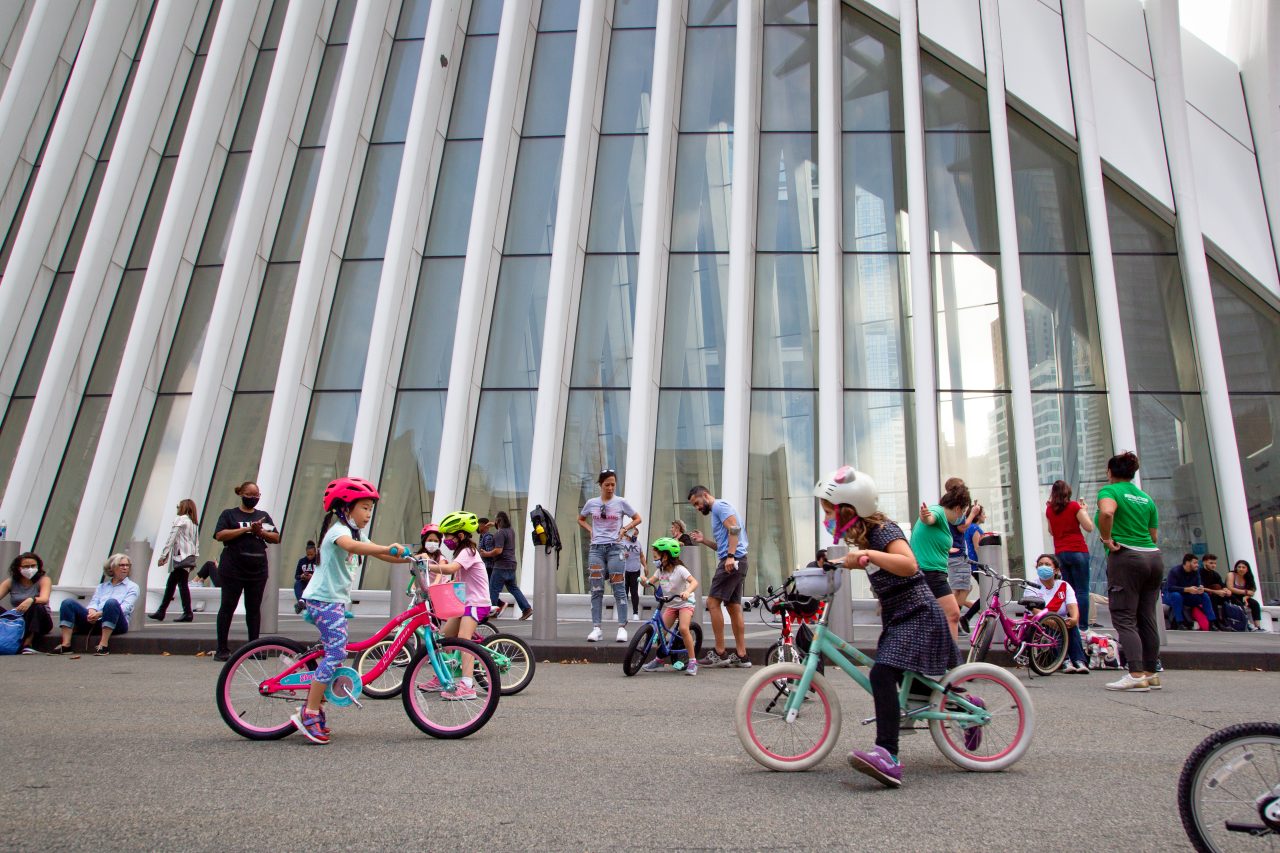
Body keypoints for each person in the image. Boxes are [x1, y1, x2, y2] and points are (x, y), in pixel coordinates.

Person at [813, 466, 957, 789]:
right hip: (900, 613)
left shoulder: (883, 531)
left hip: (918, 612)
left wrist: (865, 555)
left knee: (881, 673)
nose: (827, 519)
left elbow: (909, 564)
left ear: (850, 510)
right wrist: (831, 564)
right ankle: (962, 704)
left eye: (830, 513)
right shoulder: (867, 537)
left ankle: (888, 756)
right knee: (915, 685)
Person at [291, 477, 405, 744]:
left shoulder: (355, 532)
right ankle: (309, 711)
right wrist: (386, 548)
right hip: (322, 600)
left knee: (335, 653)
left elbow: (378, 553)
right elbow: (354, 548)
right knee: (336, 652)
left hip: (334, 601)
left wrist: (410, 558)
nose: (368, 514)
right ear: (345, 508)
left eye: (370, 509)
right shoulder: (338, 532)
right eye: (364, 508)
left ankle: (315, 702)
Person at [1096, 451, 1164, 692]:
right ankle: (1151, 672)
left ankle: (1135, 673)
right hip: (1153, 557)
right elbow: (1153, 534)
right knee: (1146, 616)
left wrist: (1106, 538)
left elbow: (1106, 512)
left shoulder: (1110, 491)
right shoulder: (1146, 499)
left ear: (1110, 472)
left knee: (1124, 617)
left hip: (1126, 557)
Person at [419, 511, 490, 700]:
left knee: (464, 640)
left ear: (460, 536)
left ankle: (467, 686)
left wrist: (427, 565)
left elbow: (450, 569)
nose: (446, 540)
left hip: (477, 602)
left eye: (449, 536)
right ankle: (442, 677)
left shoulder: (468, 551)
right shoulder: (461, 552)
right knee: (444, 638)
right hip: (465, 602)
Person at [213, 481, 281, 662]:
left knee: (253, 609)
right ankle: (222, 648)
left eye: (256, 495)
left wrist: (260, 532)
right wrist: (246, 529)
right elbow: (220, 535)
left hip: (257, 568)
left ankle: (254, 648)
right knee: (228, 606)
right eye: (249, 495)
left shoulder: (263, 516)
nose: (253, 498)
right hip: (233, 568)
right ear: (241, 494)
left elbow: (275, 537)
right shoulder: (229, 514)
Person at [687, 485, 751, 667]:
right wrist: (704, 541)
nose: (697, 508)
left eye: (697, 503)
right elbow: (725, 544)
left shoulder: (720, 507)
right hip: (738, 560)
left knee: (712, 603)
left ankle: (720, 653)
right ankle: (742, 655)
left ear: (705, 495)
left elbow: (735, 530)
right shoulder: (719, 509)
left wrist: (730, 557)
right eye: (694, 506)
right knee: (733, 606)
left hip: (733, 561)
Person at [579, 469, 642, 642]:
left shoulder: (621, 502)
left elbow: (638, 518)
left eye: (613, 484)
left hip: (616, 548)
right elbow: (581, 518)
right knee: (596, 588)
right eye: (607, 484)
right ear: (600, 485)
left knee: (619, 587)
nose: (610, 488)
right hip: (596, 548)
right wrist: (591, 530)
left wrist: (624, 529)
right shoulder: (592, 503)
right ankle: (596, 628)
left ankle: (622, 627)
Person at [909, 481, 969, 637]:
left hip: (929, 573)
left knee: (930, 620)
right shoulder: (938, 512)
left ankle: (935, 657)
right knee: (953, 615)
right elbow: (930, 519)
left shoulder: (943, 521)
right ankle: (952, 660)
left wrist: (946, 549)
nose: (962, 517)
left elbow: (931, 539)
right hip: (931, 573)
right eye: (963, 512)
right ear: (957, 508)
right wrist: (925, 516)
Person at [53, 554, 139, 656]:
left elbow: (126, 608)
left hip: (117, 623)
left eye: (127, 565)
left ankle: (103, 645)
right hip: (96, 621)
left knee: (111, 603)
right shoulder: (102, 586)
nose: (125, 568)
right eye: (121, 565)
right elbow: (94, 602)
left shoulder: (132, 587)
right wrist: (92, 611)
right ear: (112, 567)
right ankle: (66, 645)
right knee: (68, 603)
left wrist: (100, 614)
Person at [638, 537, 700, 675]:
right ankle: (659, 661)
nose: (654, 560)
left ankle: (692, 662)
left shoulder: (680, 569)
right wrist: (643, 581)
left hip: (685, 603)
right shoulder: (660, 571)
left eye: (656, 557)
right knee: (661, 631)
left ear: (665, 556)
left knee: (684, 629)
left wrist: (687, 591)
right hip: (671, 604)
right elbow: (650, 582)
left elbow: (694, 582)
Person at [1046, 479, 1095, 633]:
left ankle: (1071, 623)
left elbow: (1051, 531)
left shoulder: (1049, 510)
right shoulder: (1074, 506)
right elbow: (1089, 527)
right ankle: (1082, 627)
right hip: (1078, 550)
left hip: (1060, 553)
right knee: (1082, 590)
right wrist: (1084, 511)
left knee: (1070, 590)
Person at [1025, 554, 1088, 673]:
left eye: (1047, 565)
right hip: (1040, 624)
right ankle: (1065, 661)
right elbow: (1035, 611)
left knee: (1071, 625)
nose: (1043, 567)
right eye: (1040, 565)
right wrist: (1055, 622)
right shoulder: (1032, 587)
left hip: (1060, 622)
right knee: (1056, 624)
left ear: (1056, 570)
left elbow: (1072, 606)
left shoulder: (1064, 586)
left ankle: (1079, 661)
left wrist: (1074, 619)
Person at [149, 498, 200, 622]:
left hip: (180, 556)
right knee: (172, 584)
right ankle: (162, 611)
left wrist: (163, 556)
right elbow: (196, 542)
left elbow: (171, 538)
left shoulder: (181, 520)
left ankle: (187, 612)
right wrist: (194, 558)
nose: (177, 508)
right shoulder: (193, 523)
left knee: (181, 585)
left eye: (178, 506)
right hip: (189, 556)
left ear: (183, 507)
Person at [0, 552, 52, 653]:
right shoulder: (11, 582)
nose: (30, 569)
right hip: (18, 618)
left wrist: (31, 599)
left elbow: (44, 598)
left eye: (33, 566)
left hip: (41, 620)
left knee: (37, 606)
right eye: (26, 566)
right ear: (18, 568)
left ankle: (28, 643)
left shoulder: (44, 580)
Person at [487, 510, 531, 621]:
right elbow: (502, 530)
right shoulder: (511, 531)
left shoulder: (499, 533)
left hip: (501, 565)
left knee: (493, 589)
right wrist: (494, 524)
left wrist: (486, 553)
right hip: (511, 564)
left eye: (496, 520)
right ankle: (526, 609)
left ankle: (492, 612)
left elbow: (498, 550)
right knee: (513, 588)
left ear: (498, 521)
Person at [1164, 554, 1216, 631]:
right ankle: (1180, 623)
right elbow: (1170, 588)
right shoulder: (1175, 571)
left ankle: (1212, 623)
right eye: (1195, 563)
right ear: (1187, 563)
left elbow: (1198, 585)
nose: (1197, 565)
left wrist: (1200, 589)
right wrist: (1187, 589)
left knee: (1204, 595)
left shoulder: (1195, 572)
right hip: (1171, 596)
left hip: (1188, 596)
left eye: (1197, 563)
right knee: (1176, 595)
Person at [1199, 554, 1234, 629]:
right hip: (1203, 596)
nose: (1213, 565)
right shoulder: (1199, 573)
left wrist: (1226, 590)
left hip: (1214, 594)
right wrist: (1216, 591)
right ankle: (1216, 621)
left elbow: (1222, 585)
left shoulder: (1215, 574)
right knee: (1213, 597)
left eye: (1215, 563)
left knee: (1231, 597)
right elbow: (1201, 588)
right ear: (1204, 562)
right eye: (1211, 563)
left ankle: (1232, 620)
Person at [1226, 560, 1263, 630]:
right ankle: (1248, 624)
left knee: (1255, 604)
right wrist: (1245, 592)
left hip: (1242, 596)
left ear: (1247, 569)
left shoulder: (1248, 577)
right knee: (1239, 604)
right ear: (1236, 568)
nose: (1241, 569)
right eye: (1239, 567)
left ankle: (1258, 626)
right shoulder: (1231, 574)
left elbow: (1252, 590)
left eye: (1243, 567)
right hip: (1231, 595)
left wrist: (1246, 597)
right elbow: (1230, 588)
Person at [621, 527, 644, 623]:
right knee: (624, 592)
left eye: (637, 535)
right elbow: (616, 556)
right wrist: (622, 555)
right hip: (624, 570)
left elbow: (641, 556)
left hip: (635, 570)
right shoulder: (622, 543)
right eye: (634, 534)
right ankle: (623, 613)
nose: (635, 536)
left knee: (634, 592)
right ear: (629, 534)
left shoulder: (638, 544)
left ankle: (635, 613)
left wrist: (645, 566)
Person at [293, 541, 318, 614]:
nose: (309, 556)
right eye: (308, 554)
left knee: (310, 587)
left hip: (314, 582)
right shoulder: (302, 561)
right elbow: (296, 576)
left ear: (315, 552)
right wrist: (302, 576)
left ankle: (301, 603)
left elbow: (322, 575)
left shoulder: (318, 560)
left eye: (311, 554)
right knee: (297, 584)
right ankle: (301, 602)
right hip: (304, 581)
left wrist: (312, 577)